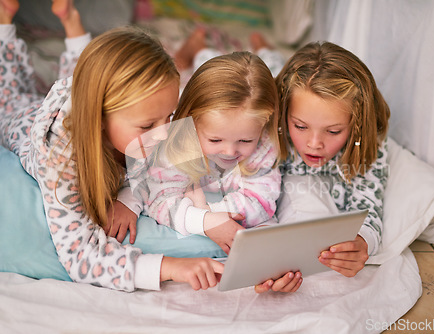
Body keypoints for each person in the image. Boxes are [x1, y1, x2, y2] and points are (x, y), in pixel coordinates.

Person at [0, 0, 226, 292]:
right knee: (9, 94)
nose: (163, 133)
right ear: (100, 119)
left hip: (86, 94)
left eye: (168, 117)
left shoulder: (146, 119)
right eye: (147, 126)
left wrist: (129, 198)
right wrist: (169, 267)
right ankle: (4, 22)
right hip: (20, 118)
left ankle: (72, 22)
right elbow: (80, 255)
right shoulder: (61, 159)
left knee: (83, 72)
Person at [113, 51, 302, 293]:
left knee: (270, 241)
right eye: (215, 139)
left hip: (219, 206)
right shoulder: (176, 140)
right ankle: (196, 48)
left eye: (245, 140)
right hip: (200, 203)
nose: (229, 150)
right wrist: (204, 221)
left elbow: (260, 202)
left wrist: (210, 212)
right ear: (191, 121)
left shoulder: (264, 146)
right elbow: (158, 197)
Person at [275, 41, 391, 278]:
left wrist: (362, 241)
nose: (314, 143)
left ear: (356, 125)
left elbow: (369, 206)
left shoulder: (367, 145)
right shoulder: (273, 130)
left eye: (333, 131)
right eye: (300, 126)